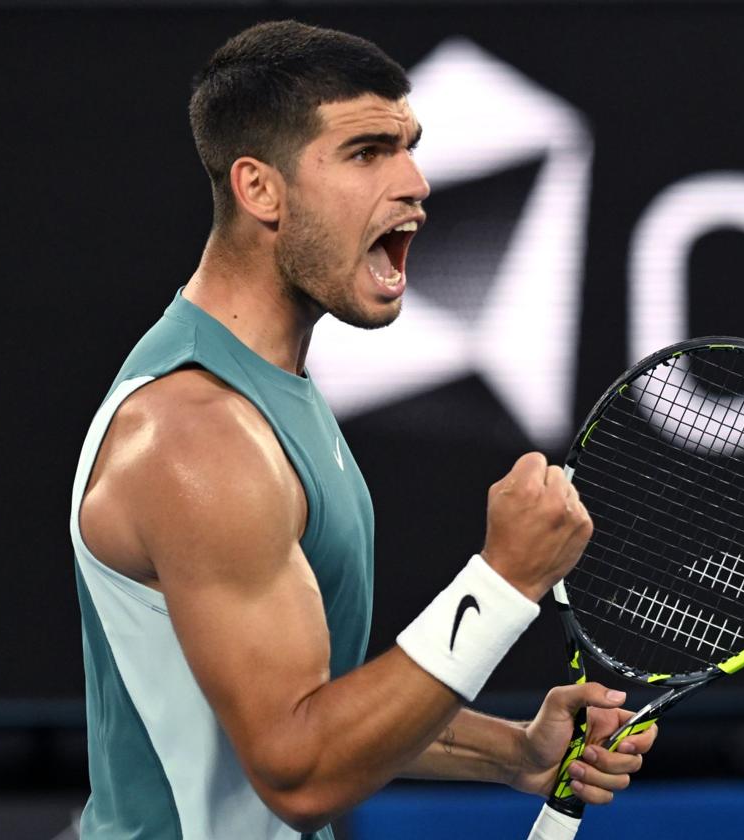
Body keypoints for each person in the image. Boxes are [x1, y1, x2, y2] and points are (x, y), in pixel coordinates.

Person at [69, 19, 657, 840]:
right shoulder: (198, 436)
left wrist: (513, 753)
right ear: (259, 189)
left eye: (409, 145)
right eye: (367, 152)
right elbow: (301, 771)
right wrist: (502, 582)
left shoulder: (270, 390)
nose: (416, 180)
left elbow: (316, 699)